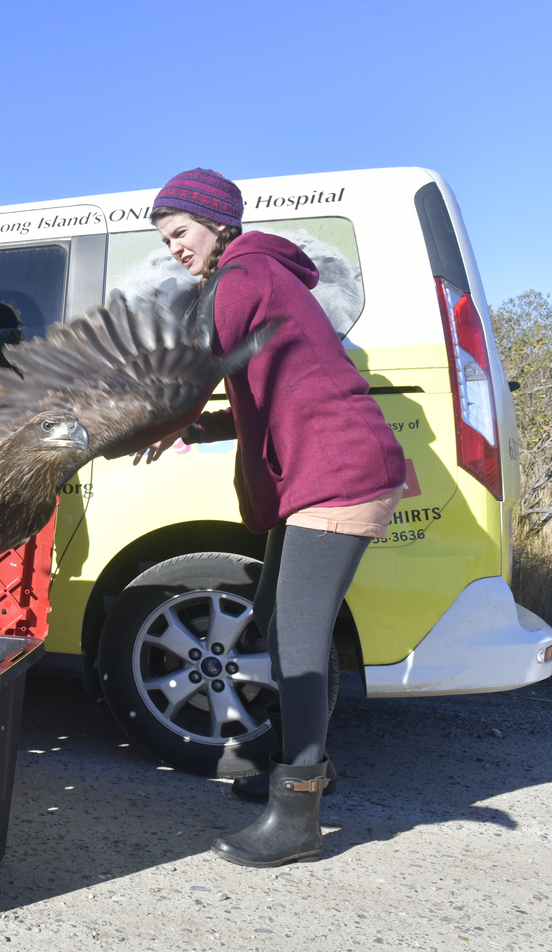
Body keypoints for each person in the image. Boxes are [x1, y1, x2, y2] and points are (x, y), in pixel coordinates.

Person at [133, 168, 406, 868]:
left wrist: (148, 418)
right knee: (278, 620)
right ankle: (303, 760)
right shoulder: (261, 275)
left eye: (181, 233)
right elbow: (266, 389)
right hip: (319, 471)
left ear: (218, 223)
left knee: (300, 640)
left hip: (336, 474)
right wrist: (192, 429)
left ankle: (299, 811)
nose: (174, 248)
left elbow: (190, 365)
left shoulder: (243, 277)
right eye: (166, 239)